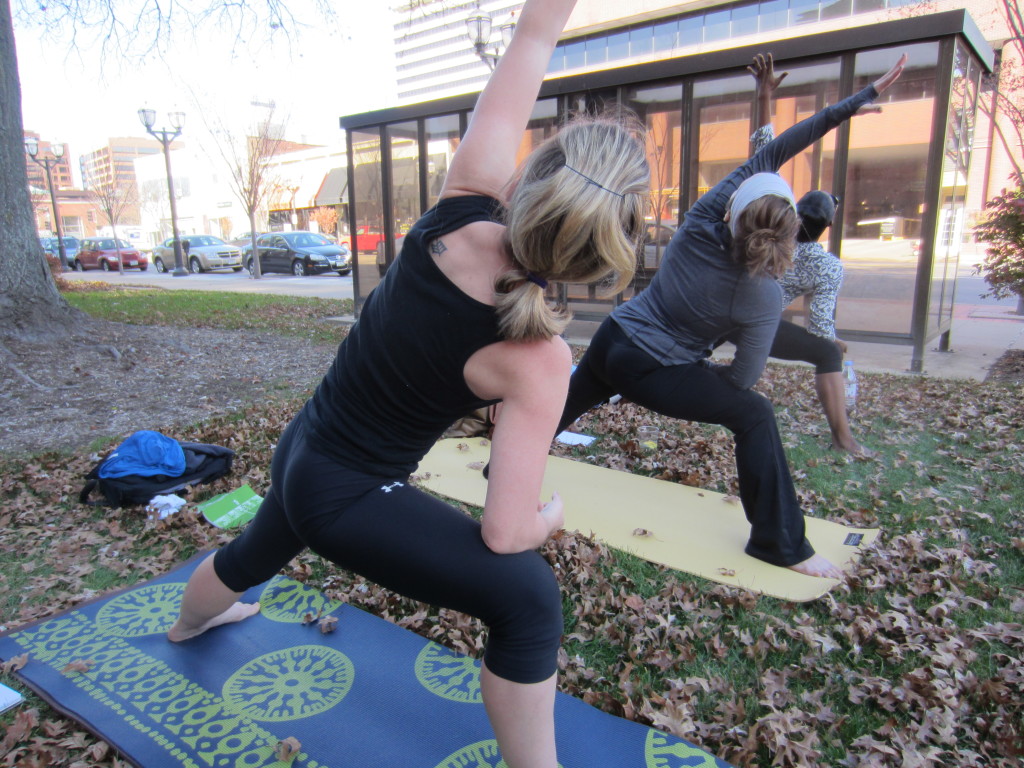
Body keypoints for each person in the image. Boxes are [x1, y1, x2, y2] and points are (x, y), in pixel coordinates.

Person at [166, 1, 650, 766]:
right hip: (346, 492)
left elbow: (530, 41)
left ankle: (188, 625)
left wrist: (545, 17)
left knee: (253, 554)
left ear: (535, 179)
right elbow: (504, 531)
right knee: (529, 598)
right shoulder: (540, 359)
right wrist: (549, 517)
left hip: (305, 445)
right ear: (601, 255)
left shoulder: (459, 206)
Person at [555, 53, 906, 580]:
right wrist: (696, 375)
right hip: (655, 372)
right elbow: (742, 380)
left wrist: (859, 100)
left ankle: (499, 462)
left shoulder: (700, 222)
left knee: (568, 400)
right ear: (793, 231)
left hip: (612, 339)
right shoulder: (764, 296)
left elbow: (782, 146)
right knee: (755, 413)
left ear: (733, 209)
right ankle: (781, 545)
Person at [745, 53, 873, 456]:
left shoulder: (774, 215)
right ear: (826, 227)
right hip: (755, 324)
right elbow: (819, 329)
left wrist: (764, 96)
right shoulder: (826, 266)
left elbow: (765, 147)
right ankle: (843, 438)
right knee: (825, 352)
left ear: (796, 210)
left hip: (727, 311)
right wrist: (834, 343)